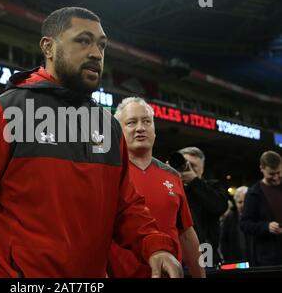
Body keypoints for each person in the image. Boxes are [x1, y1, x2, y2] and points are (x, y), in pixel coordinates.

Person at [0, 7, 182, 277]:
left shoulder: (109, 127)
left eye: (101, 45)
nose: (96, 53)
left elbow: (126, 207)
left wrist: (155, 247)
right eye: (83, 40)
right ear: (48, 47)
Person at [107, 97, 205, 278]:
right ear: (118, 131)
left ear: (154, 130)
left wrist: (200, 275)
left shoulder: (173, 176)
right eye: (131, 122)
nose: (140, 128)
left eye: (146, 121)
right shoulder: (107, 174)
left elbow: (186, 233)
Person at [178, 147, 229, 266]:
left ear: (202, 168)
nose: (187, 168)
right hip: (177, 254)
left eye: (192, 165)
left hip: (206, 253)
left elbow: (219, 206)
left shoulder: (213, 186)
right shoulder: (171, 188)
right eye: (184, 164)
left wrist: (194, 182)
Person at [240, 151, 282, 266]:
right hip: (269, 257)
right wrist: (266, 226)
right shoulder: (254, 193)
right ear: (261, 169)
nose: (276, 177)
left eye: (279, 172)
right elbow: (244, 224)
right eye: (271, 174)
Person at [219, 186, 249, 263]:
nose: (243, 205)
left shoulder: (259, 216)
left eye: (246, 201)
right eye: (240, 202)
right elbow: (224, 240)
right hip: (235, 260)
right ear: (235, 203)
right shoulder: (229, 218)